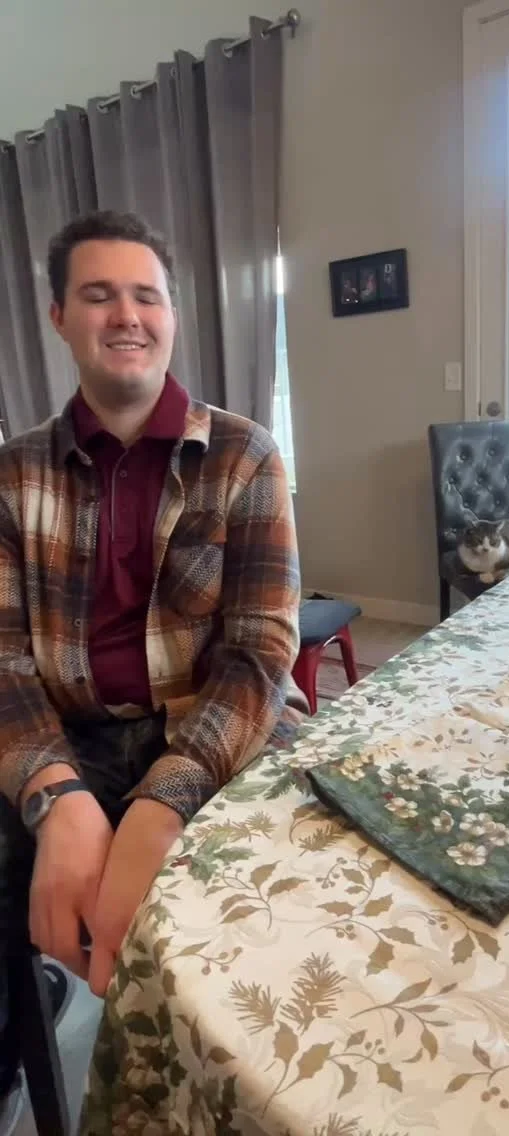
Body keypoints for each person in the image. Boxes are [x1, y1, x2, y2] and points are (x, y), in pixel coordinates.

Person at [0, 210, 304, 1112]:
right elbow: (3, 659)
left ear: (172, 315)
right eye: (99, 295)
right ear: (60, 317)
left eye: (146, 296)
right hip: (67, 731)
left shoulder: (245, 454)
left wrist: (164, 800)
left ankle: (251, 1093)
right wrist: (55, 794)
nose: (127, 315)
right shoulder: (11, 474)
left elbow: (261, 651)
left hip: (215, 728)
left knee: (293, 897)